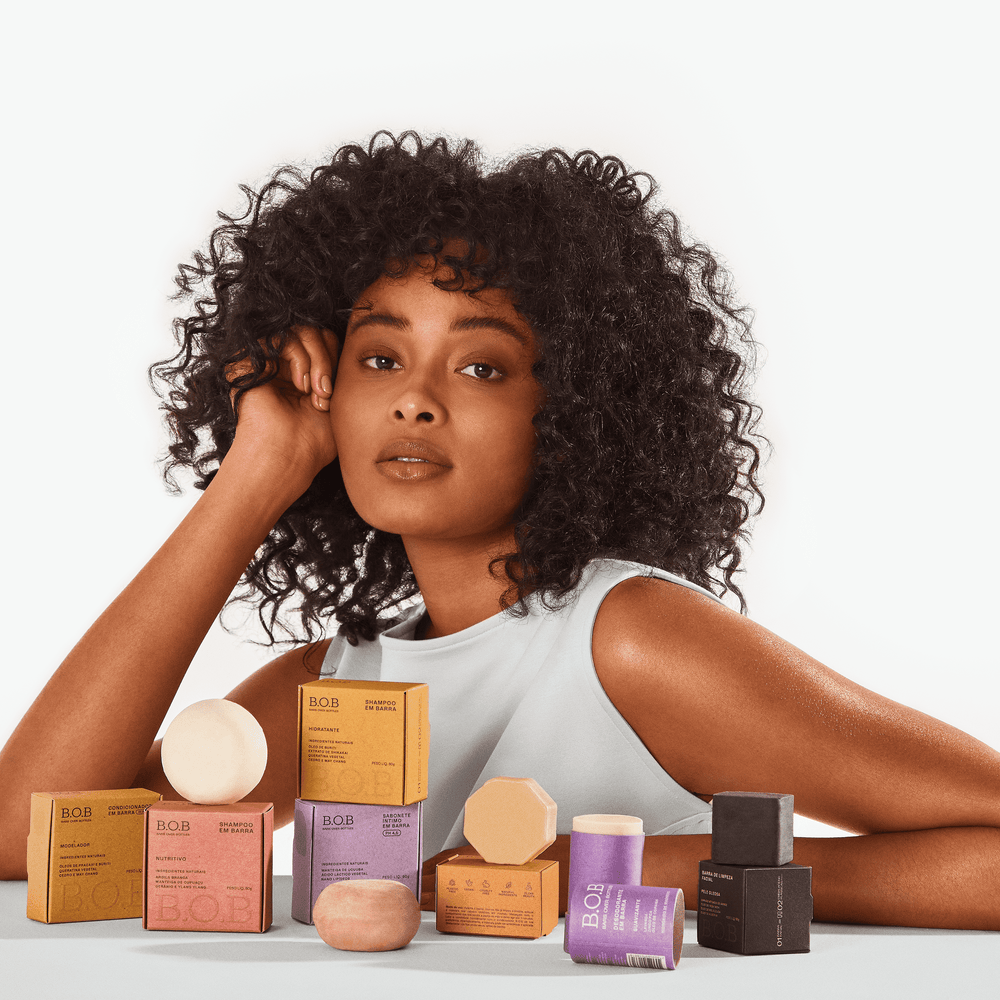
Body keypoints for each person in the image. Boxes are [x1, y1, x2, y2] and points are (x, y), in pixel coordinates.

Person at [0, 132, 996, 931]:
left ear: (573, 409)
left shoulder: (630, 637)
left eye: (480, 367)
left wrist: (650, 868)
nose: (415, 403)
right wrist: (252, 476)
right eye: (379, 359)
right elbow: (28, 837)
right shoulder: (334, 684)